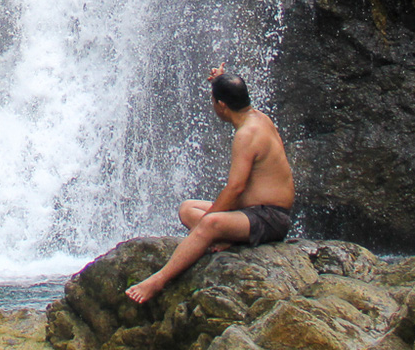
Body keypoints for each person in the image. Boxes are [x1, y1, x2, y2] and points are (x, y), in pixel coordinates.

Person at [126, 67, 294, 304]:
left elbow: (235, 188)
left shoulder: (247, 134)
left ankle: (157, 281)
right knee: (187, 209)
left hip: (270, 218)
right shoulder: (259, 117)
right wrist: (218, 80)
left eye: (213, 101)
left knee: (210, 223)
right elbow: (231, 92)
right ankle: (228, 237)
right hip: (251, 213)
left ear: (221, 106)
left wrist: (209, 222)